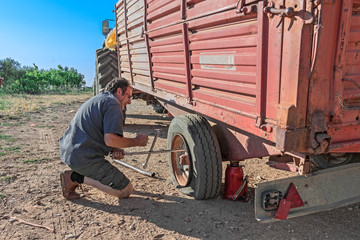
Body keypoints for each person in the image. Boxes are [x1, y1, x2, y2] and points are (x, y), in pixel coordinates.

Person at [59, 78, 148, 199]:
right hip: (82, 158)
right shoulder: (113, 103)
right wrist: (137, 141)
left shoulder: (101, 99)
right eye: (129, 96)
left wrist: (113, 149)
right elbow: (110, 140)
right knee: (125, 190)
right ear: (119, 92)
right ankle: (73, 177)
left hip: (70, 152)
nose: (130, 102)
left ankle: (78, 173)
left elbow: (99, 132)